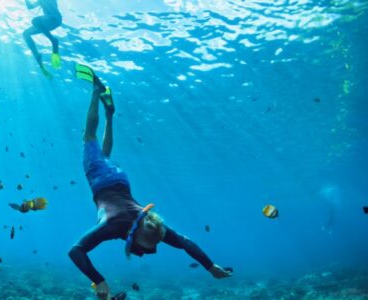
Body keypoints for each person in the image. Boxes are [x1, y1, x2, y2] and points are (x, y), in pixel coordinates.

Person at [69, 64, 233, 300]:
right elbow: (75, 251)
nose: (149, 252)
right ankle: (96, 91)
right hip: (103, 181)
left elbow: (185, 243)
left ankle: (110, 115)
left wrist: (210, 266)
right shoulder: (114, 225)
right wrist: (98, 280)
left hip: (120, 179)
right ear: (136, 233)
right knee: (89, 137)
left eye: (152, 247)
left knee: (104, 156)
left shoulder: (152, 227)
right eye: (147, 247)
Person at [22, 0, 62, 78]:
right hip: (46, 22)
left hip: (54, 18)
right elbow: (30, 7)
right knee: (26, 33)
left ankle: (53, 40)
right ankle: (37, 55)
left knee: (35, 21)